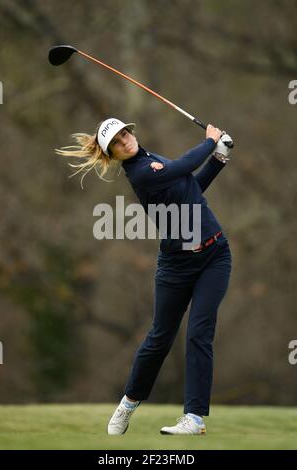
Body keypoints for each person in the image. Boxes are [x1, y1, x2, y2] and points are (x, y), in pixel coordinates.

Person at [57, 118, 233, 435]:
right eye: (117, 142)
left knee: (199, 332)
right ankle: (128, 404)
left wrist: (218, 159)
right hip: (176, 266)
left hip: (214, 254)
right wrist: (209, 142)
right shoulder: (140, 173)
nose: (125, 141)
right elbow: (181, 169)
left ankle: (194, 418)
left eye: (125, 133)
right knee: (159, 339)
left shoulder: (152, 160)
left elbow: (191, 187)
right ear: (112, 154)